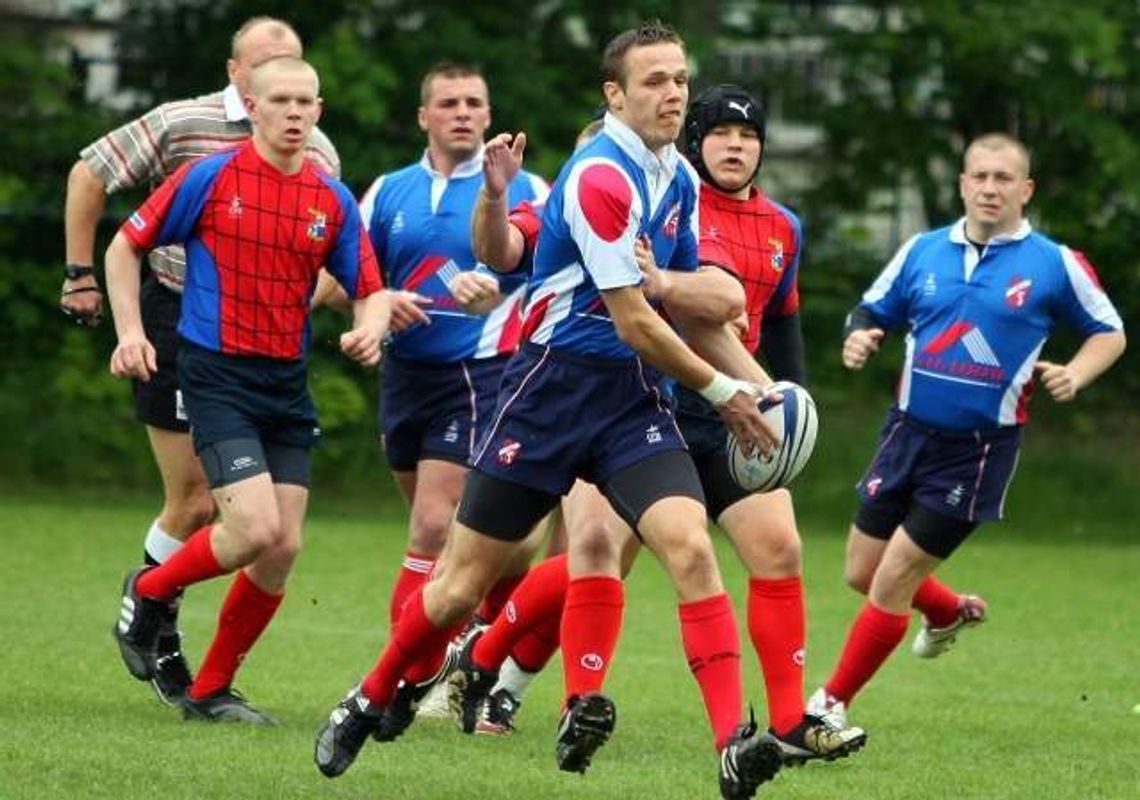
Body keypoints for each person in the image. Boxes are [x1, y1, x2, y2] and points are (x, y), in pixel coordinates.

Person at [315, 23, 785, 800]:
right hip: (548, 394)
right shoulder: (602, 175)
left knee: (690, 549)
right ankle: (369, 697)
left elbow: (696, 311)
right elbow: (632, 317)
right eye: (654, 82)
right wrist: (723, 394)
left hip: (631, 400)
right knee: (461, 587)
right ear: (615, 94)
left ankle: (732, 745)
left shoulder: (675, 177)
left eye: (679, 79)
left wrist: (761, 388)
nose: (673, 95)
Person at [448, 84, 868, 765]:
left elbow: (753, 313)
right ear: (692, 141)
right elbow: (642, 293)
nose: (737, 145)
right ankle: (506, 669)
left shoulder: (780, 225)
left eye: (750, 135)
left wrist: (784, 401)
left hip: (730, 415)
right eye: (722, 133)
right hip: (640, 405)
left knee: (780, 548)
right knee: (596, 554)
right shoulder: (655, 194)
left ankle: (790, 720)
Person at [62, 16, 339, 704]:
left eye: (296, 71)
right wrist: (79, 274)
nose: (285, 88)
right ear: (236, 73)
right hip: (181, 320)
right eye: (266, 67)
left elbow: (333, 250)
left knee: (271, 537)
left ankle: (188, 655)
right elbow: (90, 172)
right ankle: (158, 626)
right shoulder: (183, 124)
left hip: (269, 348)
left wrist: (319, 301)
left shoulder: (317, 150)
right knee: (193, 502)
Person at [806, 132, 1125, 727]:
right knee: (861, 570)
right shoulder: (922, 250)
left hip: (976, 453)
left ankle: (828, 706)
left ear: (1025, 190)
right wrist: (860, 334)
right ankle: (948, 610)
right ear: (961, 183)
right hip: (904, 435)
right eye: (979, 176)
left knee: (894, 577)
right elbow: (871, 309)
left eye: (1004, 178)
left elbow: (1110, 330)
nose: (989, 188)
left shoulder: (1054, 264)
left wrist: (1077, 373)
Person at [106, 56, 388, 724]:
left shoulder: (331, 198)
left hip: (285, 382)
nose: (294, 112)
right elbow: (125, 246)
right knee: (254, 528)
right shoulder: (210, 177)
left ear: (319, 112)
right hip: (217, 375)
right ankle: (150, 591)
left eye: (305, 102)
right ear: (253, 107)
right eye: (280, 100)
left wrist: (368, 329)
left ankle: (209, 690)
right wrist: (129, 331)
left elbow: (369, 290)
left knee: (282, 547)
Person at [356, 62, 550, 640]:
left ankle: (399, 678)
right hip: (404, 376)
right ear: (423, 117)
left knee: (433, 527)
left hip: (482, 376)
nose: (462, 113)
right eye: (448, 103)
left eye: (473, 102)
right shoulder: (389, 191)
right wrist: (379, 302)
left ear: (489, 116)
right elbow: (347, 281)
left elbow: (558, 280)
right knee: (466, 539)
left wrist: (500, 289)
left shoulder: (529, 190)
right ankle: (475, 637)